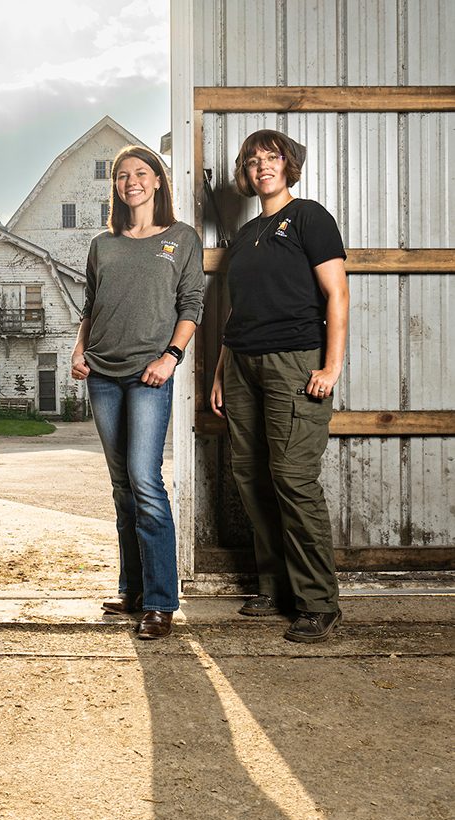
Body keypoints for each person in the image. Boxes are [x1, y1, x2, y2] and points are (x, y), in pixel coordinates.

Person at [210, 130, 349, 643]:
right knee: (251, 476)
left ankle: (317, 602)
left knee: (293, 478)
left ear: (289, 165)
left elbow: (336, 293)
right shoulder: (245, 236)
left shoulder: (310, 216)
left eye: (271, 158)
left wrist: (331, 366)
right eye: (253, 160)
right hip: (242, 364)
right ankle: (275, 587)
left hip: (295, 362)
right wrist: (223, 369)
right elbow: (235, 310)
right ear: (245, 174)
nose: (262, 166)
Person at [72, 146, 204, 640]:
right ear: (117, 187)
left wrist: (171, 356)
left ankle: (160, 601)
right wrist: (78, 349)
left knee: (145, 481)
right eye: (123, 175)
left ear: (157, 182)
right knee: (121, 487)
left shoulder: (181, 239)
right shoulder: (102, 244)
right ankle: (132, 590)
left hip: (150, 373)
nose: (132, 181)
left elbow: (192, 304)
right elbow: (91, 303)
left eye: (141, 173)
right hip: (102, 373)